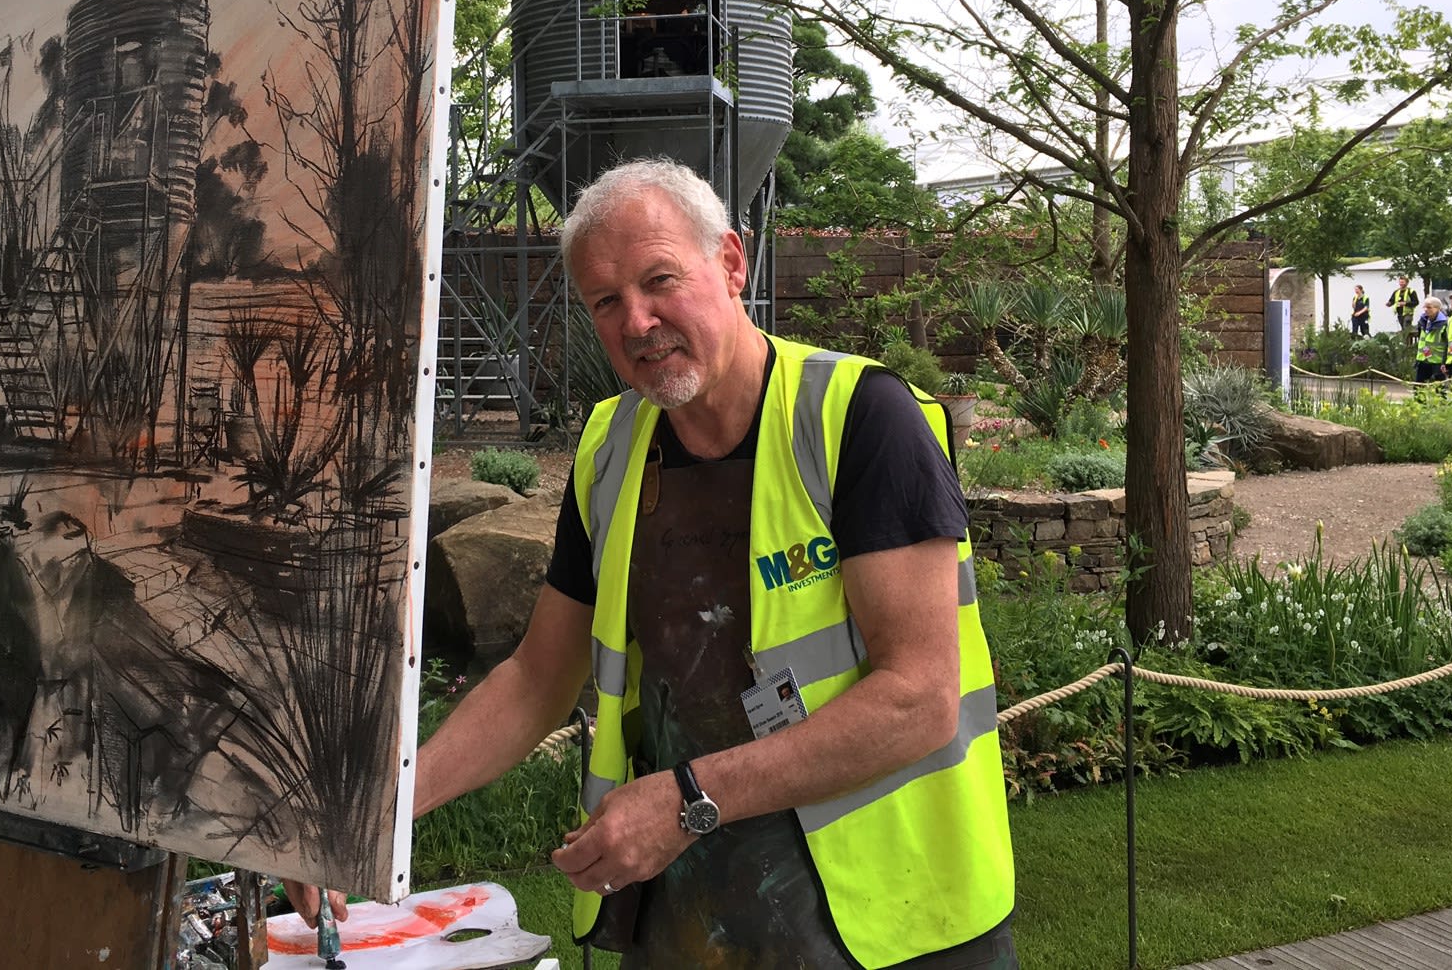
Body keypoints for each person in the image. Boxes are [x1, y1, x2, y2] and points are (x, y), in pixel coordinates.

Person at [291, 158, 1018, 968]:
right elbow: (538, 679)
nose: (637, 321)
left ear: (733, 263)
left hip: (898, 924)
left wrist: (686, 802)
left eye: (660, 280)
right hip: (696, 923)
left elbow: (920, 700)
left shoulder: (859, 417)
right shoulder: (610, 451)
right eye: (606, 301)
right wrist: (372, 815)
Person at [1414, 297, 1448, 387]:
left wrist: (1444, 362)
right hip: (1422, 359)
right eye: (1424, 307)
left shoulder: (1444, 323)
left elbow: (1448, 343)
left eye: (1429, 307)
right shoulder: (1422, 321)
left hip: (1437, 361)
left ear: (1438, 308)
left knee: (1439, 389)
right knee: (1418, 387)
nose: (1426, 309)